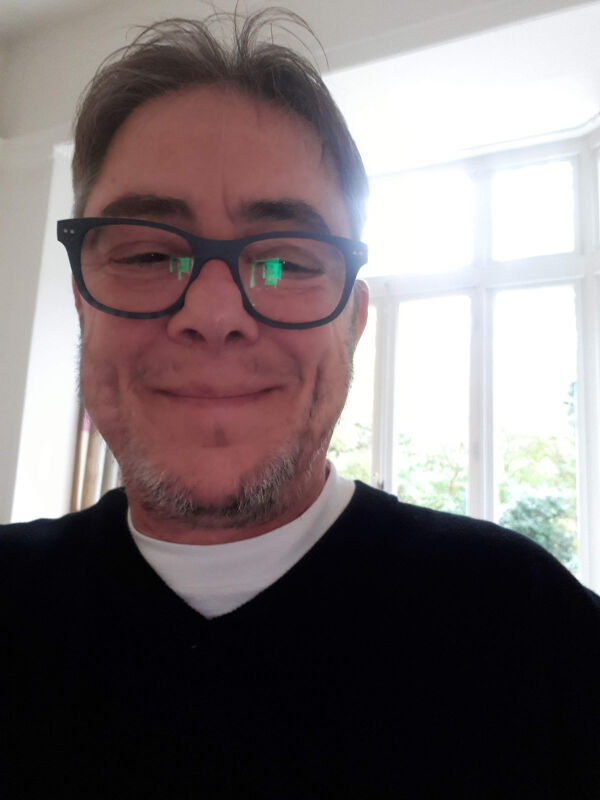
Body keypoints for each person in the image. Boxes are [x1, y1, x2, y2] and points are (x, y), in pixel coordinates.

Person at [2, 10, 599, 799]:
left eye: (284, 261)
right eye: (147, 254)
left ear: (354, 323)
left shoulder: (535, 636)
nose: (215, 314)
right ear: (83, 304)